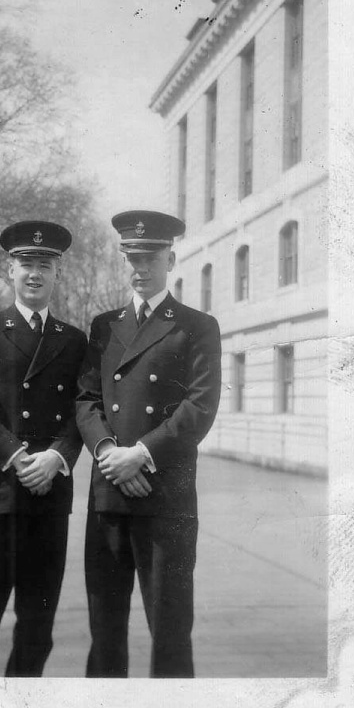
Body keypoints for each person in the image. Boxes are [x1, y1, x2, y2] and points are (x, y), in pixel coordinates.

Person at [77, 210, 222, 678]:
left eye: (150, 258)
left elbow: (199, 407)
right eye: (132, 259)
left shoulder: (197, 326)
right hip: (109, 496)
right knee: (105, 635)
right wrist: (106, 453)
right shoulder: (103, 327)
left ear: (171, 259)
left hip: (166, 503)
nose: (140, 269)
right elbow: (87, 400)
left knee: (171, 635)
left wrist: (139, 455)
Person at [0, 220, 87, 677]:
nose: (35, 274)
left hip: (49, 499)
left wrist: (58, 457)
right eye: (27, 264)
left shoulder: (74, 339)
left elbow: (82, 411)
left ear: (57, 273)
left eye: (45, 265)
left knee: (37, 630)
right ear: (10, 270)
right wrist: (20, 457)